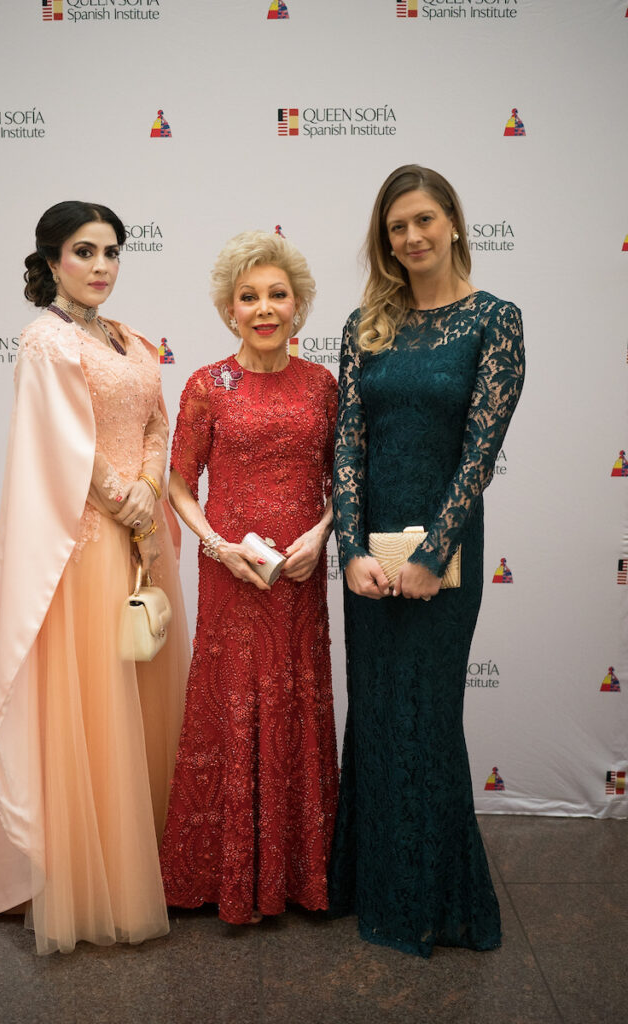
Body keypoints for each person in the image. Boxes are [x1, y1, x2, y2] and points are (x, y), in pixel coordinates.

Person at [0, 201, 189, 954]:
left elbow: (156, 419)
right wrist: (130, 504)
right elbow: (66, 451)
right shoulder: (45, 342)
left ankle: (144, 857)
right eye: (84, 253)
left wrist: (150, 494)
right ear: (51, 261)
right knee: (96, 708)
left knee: (141, 696)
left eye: (112, 252)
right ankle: (94, 881)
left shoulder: (126, 337)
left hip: (142, 540)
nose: (101, 267)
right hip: (85, 548)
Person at [329, 165, 525, 957]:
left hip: (444, 557)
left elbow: (481, 454)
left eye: (422, 220)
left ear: (452, 222)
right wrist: (348, 549)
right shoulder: (364, 324)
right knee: (375, 714)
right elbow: (347, 439)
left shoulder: (494, 321)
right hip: (369, 557)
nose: (410, 238)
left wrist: (434, 552)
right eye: (395, 228)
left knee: (430, 719)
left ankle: (434, 901)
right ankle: (370, 883)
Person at [159, 230, 338, 925]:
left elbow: (342, 482)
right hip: (232, 578)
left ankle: (300, 878)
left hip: (299, 576)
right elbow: (178, 483)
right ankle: (222, 877)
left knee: (296, 701)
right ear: (229, 308)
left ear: (298, 305)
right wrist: (217, 547)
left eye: (277, 295)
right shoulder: (207, 384)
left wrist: (320, 538)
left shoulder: (324, 385)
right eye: (249, 296)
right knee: (232, 703)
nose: (264, 308)